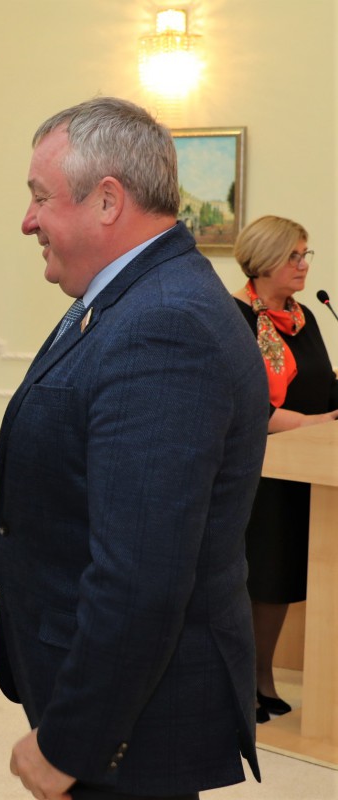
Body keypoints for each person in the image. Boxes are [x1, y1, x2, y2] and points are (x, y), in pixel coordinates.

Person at [0, 97, 270, 800]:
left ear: (108, 201)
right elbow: (74, 472)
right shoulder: (124, 296)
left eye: (39, 197)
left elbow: (141, 574)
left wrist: (71, 743)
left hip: (130, 724)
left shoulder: (163, 324)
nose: (27, 220)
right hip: (104, 690)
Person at [231, 215, 338, 723]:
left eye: (304, 255)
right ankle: (238, 683)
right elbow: (247, 405)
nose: (303, 265)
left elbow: (320, 384)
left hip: (305, 469)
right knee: (258, 578)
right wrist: (316, 422)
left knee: (282, 581)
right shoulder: (235, 317)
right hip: (258, 471)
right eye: (294, 256)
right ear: (265, 260)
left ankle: (262, 677)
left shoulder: (303, 316)